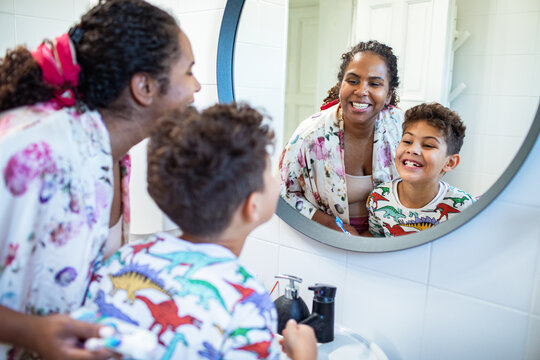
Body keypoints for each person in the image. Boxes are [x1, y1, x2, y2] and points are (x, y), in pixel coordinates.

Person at [0, 0, 201, 358]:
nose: (197, 87)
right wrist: (31, 333)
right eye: (189, 71)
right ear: (145, 87)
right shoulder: (28, 152)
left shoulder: (110, 153)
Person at [77, 103, 317, 359]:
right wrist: (304, 353)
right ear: (252, 206)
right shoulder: (244, 299)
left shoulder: (124, 258)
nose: (277, 180)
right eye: (269, 173)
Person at [279, 40, 404, 236]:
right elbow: (283, 194)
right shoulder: (309, 135)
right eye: (353, 81)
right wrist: (330, 224)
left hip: (391, 242)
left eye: (374, 83)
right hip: (327, 240)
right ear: (340, 85)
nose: (361, 91)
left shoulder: (404, 129)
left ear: (389, 94)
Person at [367, 102, 475, 237]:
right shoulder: (378, 197)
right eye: (407, 141)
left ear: (450, 162)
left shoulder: (465, 207)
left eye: (428, 145)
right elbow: (375, 241)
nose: (413, 150)